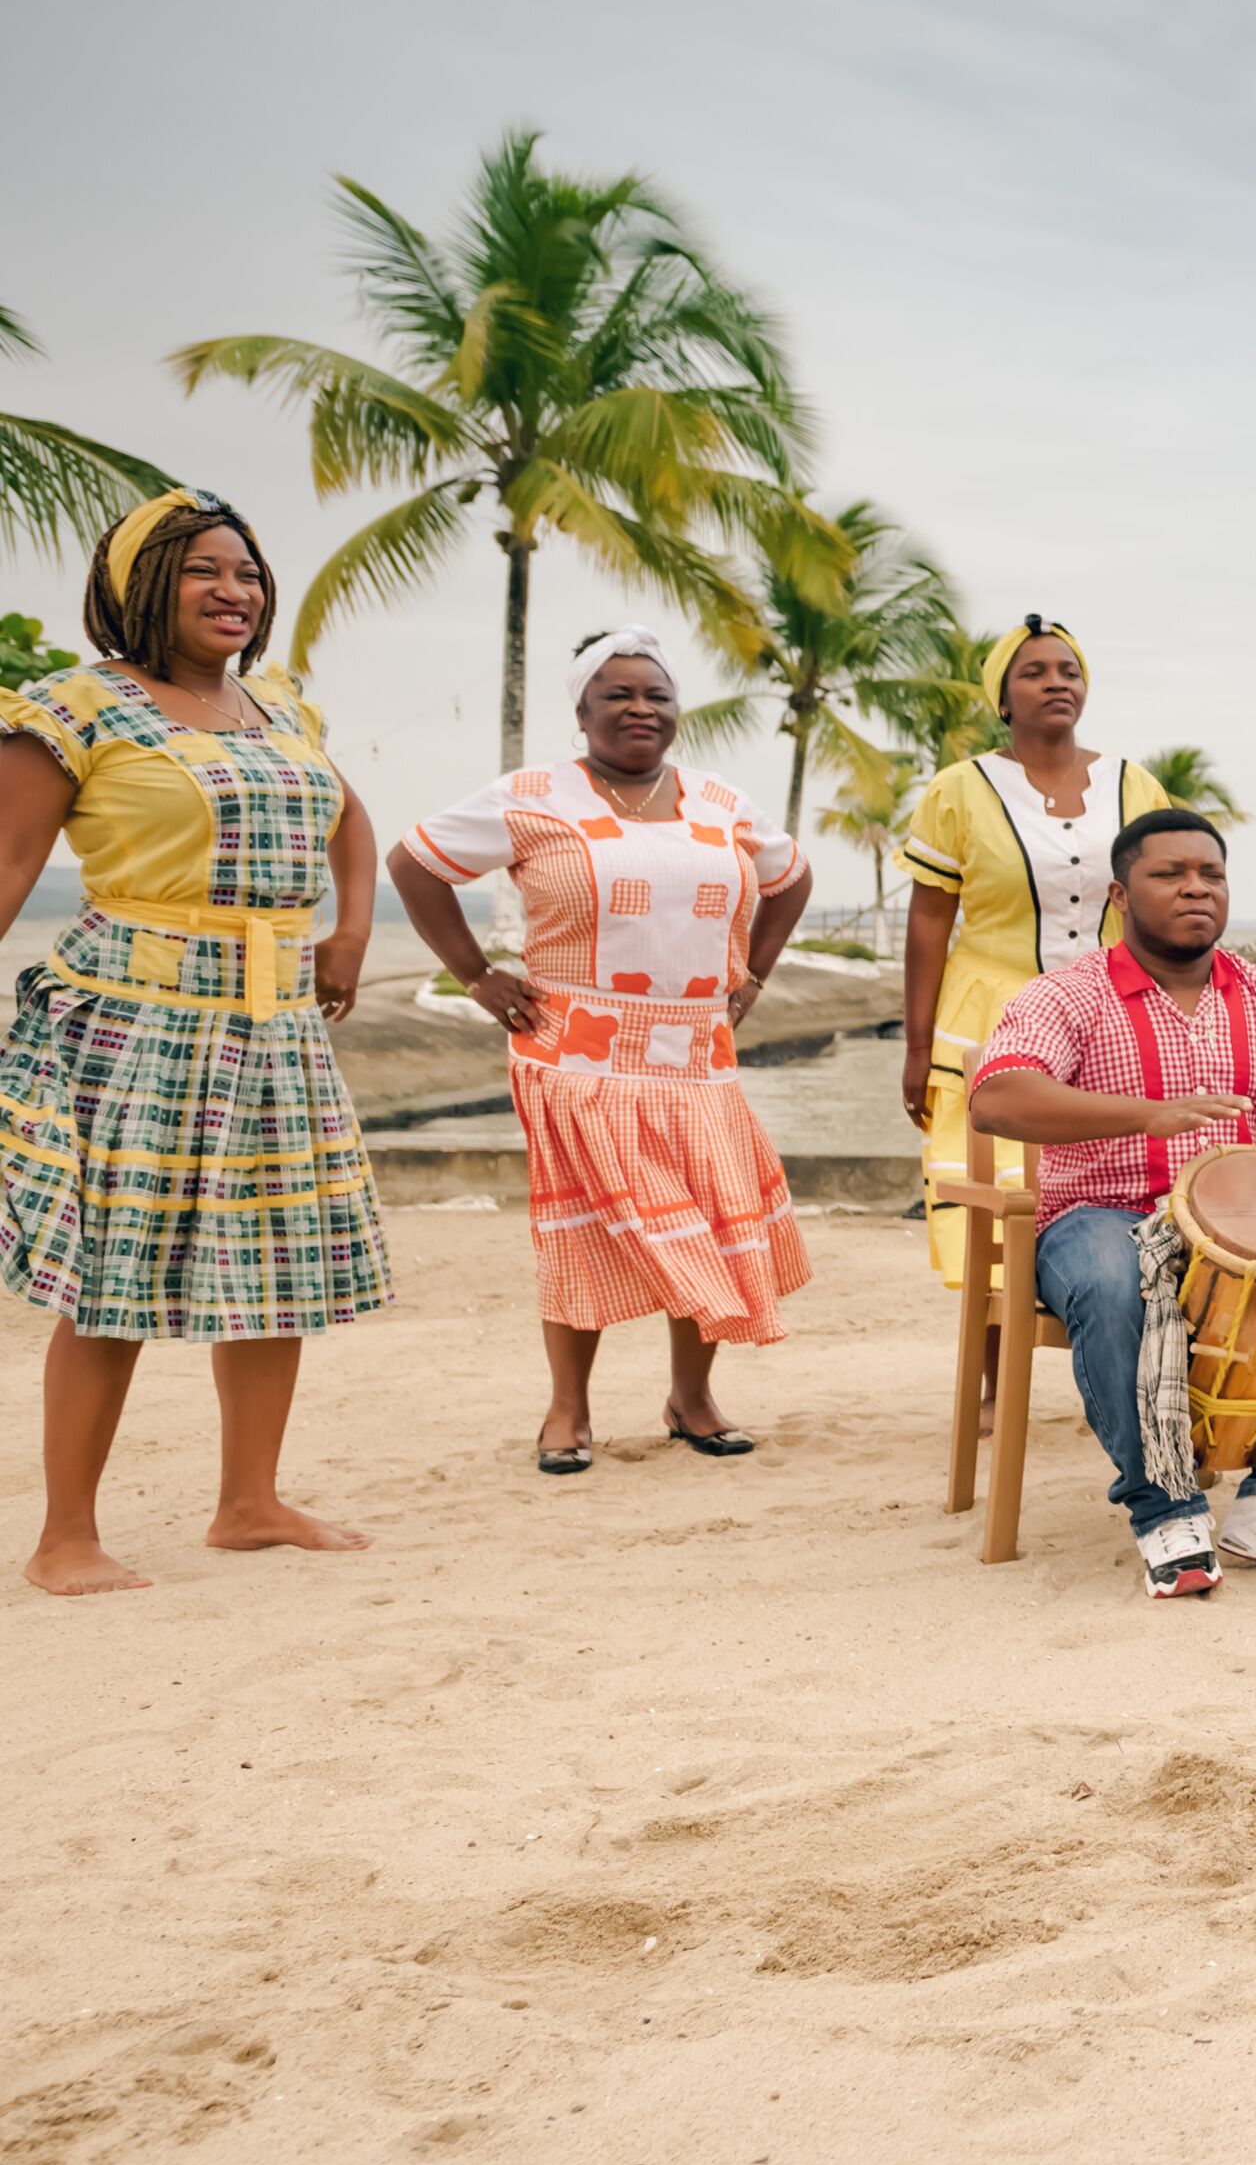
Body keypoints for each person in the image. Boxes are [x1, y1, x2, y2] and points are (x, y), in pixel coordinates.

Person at [0, 491, 390, 1594]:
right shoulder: (75, 708)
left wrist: (349, 933)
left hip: (274, 1028)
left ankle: (250, 1503)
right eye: (202, 571)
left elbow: (349, 816)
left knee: (277, 1261)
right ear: (139, 585)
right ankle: (65, 1534)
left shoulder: (278, 712)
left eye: (250, 574)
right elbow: (9, 862)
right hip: (138, 1022)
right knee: (111, 1270)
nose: (235, 592)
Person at [388, 628, 816, 1473]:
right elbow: (415, 864)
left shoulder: (720, 801)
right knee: (581, 1227)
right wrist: (476, 975)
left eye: (656, 695)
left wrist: (753, 974)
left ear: (677, 711)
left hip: (696, 1054)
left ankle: (691, 1400)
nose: (639, 709)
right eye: (617, 694)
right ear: (582, 711)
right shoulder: (534, 795)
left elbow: (791, 876)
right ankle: (567, 1410)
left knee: (705, 1217)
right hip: (576, 1054)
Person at [970, 806, 1256, 1598]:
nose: (1195, 890)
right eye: (1169, 874)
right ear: (1119, 893)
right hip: (1105, 1216)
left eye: (1210, 874)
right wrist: (1144, 1114)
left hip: (1249, 1225)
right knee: (1115, 1282)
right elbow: (1000, 1097)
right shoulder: (1066, 996)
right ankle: (1165, 1507)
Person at [897, 619, 1168, 1311]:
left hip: (1109, 1013)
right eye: (1035, 672)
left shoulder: (1135, 786)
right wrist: (919, 1045)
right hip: (989, 1018)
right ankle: (994, 1379)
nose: (1056, 683)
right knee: (998, 1196)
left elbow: (1161, 900)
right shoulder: (960, 789)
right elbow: (930, 919)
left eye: (1068, 671)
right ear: (1003, 699)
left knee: (1120, 1184)